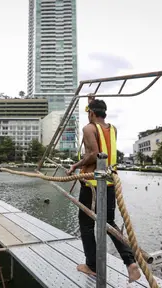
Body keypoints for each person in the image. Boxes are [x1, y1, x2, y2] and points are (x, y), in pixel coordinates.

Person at [67, 95, 140, 282]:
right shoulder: (112, 128)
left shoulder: (88, 128)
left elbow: (93, 154)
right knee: (109, 223)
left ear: (91, 113)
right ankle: (130, 263)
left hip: (92, 184)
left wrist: (76, 165)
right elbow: (102, 148)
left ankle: (91, 265)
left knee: (86, 224)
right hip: (109, 182)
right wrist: (92, 103)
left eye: (89, 112)